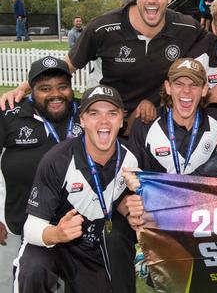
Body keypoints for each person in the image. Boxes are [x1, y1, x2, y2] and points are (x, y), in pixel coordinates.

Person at [1, 0, 205, 140]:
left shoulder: (186, 27)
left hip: (152, 123)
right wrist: (22, 88)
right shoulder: (102, 27)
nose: (151, 0)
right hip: (106, 125)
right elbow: (66, 66)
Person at [14, 85, 140, 293]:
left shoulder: (129, 160)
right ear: (82, 120)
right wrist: (57, 233)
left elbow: (116, 202)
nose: (103, 121)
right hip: (51, 242)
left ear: (121, 120)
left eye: (112, 113)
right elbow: (31, 228)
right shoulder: (58, 161)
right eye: (94, 113)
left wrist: (133, 210)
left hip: (88, 246)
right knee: (34, 268)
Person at [0, 57, 81, 290]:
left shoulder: (86, 113)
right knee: (11, 283)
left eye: (62, 86)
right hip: (15, 224)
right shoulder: (9, 115)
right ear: (30, 91)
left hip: (72, 224)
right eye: (45, 89)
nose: (55, 94)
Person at [128, 58, 217, 175]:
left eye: (194, 85)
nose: (186, 90)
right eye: (179, 84)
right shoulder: (145, 126)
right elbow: (133, 174)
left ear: (204, 89)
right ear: (168, 87)